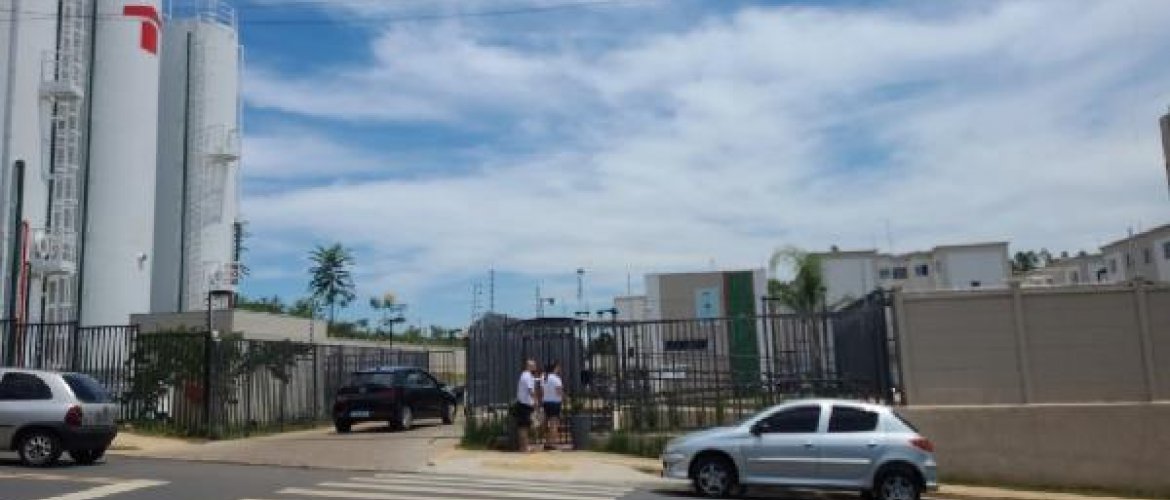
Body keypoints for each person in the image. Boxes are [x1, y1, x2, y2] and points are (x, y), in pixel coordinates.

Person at [514, 359, 538, 452]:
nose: (535, 367)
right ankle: (525, 447)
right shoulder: (527, 376)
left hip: (522, 403)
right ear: (529, 366)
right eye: (534, 366)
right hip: (525, 404)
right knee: (524, 427)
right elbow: (530, 390)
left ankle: (523, 446)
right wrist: (535, 401)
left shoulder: (524, 375)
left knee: (523, 426)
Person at [541, 361, 565, 451]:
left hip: (546, 402)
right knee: (554, 424)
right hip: (554, 403)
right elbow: (559, 392)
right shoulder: (556, 379)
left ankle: (546, 442)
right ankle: (552, 443)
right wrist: (564, 397)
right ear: (556, 368)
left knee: (546, 423)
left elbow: (542, 391)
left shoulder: (544, 377)